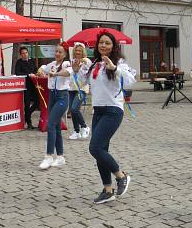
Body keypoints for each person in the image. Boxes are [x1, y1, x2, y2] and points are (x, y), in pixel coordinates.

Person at [74, 32, 135, 204]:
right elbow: (83, 82)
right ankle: (108, 190)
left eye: (107, 43)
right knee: (101, 151)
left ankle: (121, 176)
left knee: (95, 148)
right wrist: (77, 71)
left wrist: (114, 68)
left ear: (113, 46)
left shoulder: (119, 63)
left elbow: (130, 81)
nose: (103, 45)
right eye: (101, 42)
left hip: (113, 110)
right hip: (98, 111)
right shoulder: (95, 64)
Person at [38, 44, 71, 170]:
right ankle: (60, 157)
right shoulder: (52, 64)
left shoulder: (66, 64)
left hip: (62, 97)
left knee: (50, 124)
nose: (57, 53)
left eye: (60, 52)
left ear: (65, 54)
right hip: (52, 96)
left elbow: (67, 73)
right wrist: (40, 70)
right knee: (56, 127)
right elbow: (43, 68)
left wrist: (55, 74)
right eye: (56, 51)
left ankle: (49, 156)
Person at [68, 42, 91, 140]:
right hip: (72, 88)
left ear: (83, 52)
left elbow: (87, 65)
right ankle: (76, 131)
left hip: (82, 88)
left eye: (80, 51)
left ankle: (84, 127)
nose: (77, 52)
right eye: (76, 50)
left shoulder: (86, 61)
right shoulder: (72, 61)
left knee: (74, 109)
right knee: (72, 111)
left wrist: (80, 62)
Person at [14, 46, 38, 129]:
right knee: (27, 104)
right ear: (21, 55)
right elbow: (17, 73)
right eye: (23, 53)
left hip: (34, 85)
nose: (25, 54)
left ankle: (26, 115)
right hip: (25, 86)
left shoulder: (32, 61)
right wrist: (28, 74)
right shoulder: (19, 62)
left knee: (38, 102)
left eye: (26, 53)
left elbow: (36, 70)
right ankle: (29, 122)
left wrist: (36, 73)